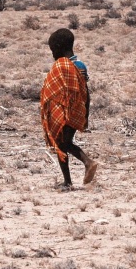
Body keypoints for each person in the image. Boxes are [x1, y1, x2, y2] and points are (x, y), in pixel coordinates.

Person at [41, 28, 97, 188]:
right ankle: (69, 180)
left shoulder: (61, 67)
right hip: (77, 109)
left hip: (64, 111)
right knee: (64, 142)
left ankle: (86, 164)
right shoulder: (80, 65)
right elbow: (85, 91)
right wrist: (86, 113)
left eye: (53, 50)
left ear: (58, 47)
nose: (52, 54)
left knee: (61, 143)